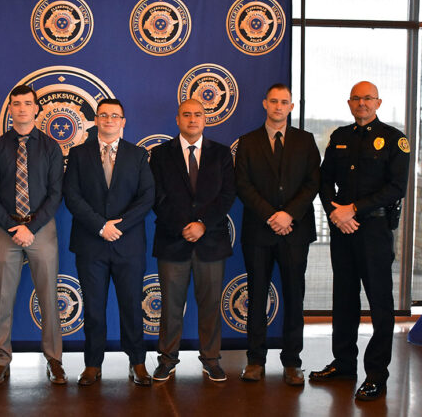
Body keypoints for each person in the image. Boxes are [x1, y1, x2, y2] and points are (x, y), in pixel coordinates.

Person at [310, 81, 410, 401]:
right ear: (349, 103)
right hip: (343, 230)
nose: (362, 103)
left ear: (378, 102)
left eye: (368, 98)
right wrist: (335, 213)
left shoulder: (395, 139)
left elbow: (397, 187)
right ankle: (343, 363)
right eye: (357, 98)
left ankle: (376, 374)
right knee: (344, 300)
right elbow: (324, 181)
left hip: (375, 231)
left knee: (380, 304)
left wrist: (353, 208)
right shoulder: (340, 137)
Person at [63, 99, 155, 386]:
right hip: (91, 243)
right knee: (93, 308)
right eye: (104, 115)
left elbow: (147, 197)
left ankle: (137, 362)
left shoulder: (138, 155)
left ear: (123, 121)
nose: (109, 120)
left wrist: (120, 226)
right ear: (96, 120)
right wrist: (101, 226)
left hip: (128, 245)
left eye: (115, 116)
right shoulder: (78, 154)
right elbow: (72, 196)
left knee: (131, 306)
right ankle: (92, 364)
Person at [234, 84, 321, 386]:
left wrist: (288, 215)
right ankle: (255, 360)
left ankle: (292, 362)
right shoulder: (247, 142)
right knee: (256, 297)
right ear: (264, 104)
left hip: (294, 232)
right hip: (259, 231)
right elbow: (242, 185)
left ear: (291, 107)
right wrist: (271, 216)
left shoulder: (306, 141)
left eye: (284, 102)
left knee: (294, 297)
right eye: (274, 101)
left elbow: (313, 183)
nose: (279, 107)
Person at [0, 85, 66, 385]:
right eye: (15, 104)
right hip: (7, 230)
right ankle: (1, 361)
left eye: (27, 104)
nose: (21, 109)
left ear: (36, 109)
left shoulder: (51, 147)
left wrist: (31, 227)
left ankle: (54, 360)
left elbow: (56, 194)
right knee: (3, 299)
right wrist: (12, 226)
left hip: (41, 230)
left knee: (48, 298)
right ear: (11, 109)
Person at [150, 99, 236, 383]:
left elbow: (227, 196)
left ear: (205, 119)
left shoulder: (222, 154)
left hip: (210, 242)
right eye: (186, 115)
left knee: (210, 304)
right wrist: (182, 227)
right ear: (177, 120)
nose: (192, 119)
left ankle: (211, 359)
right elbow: (157, 197)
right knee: (171, 305)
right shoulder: (161, 154)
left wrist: (202, 224)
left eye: (198, 114)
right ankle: (167, 359)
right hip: (173, 241)